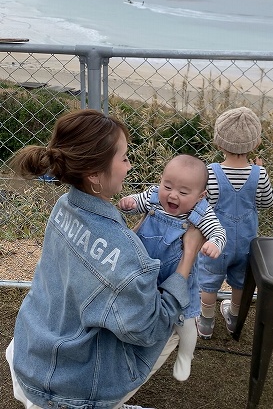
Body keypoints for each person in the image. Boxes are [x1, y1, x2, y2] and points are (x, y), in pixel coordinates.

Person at [5, 109, 205, 409]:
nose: (129, 166)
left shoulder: (64, 205)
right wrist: (189, 252)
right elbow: (151, 327)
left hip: (30, 352)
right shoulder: (126, 256)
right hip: (71, 391)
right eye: (124, 158)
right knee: (175, 326)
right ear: (95, 175)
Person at [119, 154, 227, 381]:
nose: (173, 194)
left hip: (179, 276)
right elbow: (135, 204)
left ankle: (186, 355)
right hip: (144, 269)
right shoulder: (153, 198)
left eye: (184, 192)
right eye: (167, 186)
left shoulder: (201, 213)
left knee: (186, 319)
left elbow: (218, 232)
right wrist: (128, 203)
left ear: (200, 196)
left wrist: (214, 244)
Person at [196, 106, 273, 339]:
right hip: (246, 244)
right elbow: (266, 202)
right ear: (255, 144)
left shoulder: (210, 172)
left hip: (215, 242)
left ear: (219, 144)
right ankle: (233, 316)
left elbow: (204, 202)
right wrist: (260, 173)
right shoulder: (259, 174)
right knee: (240, 282)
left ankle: (206, 322)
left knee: (209, 281)